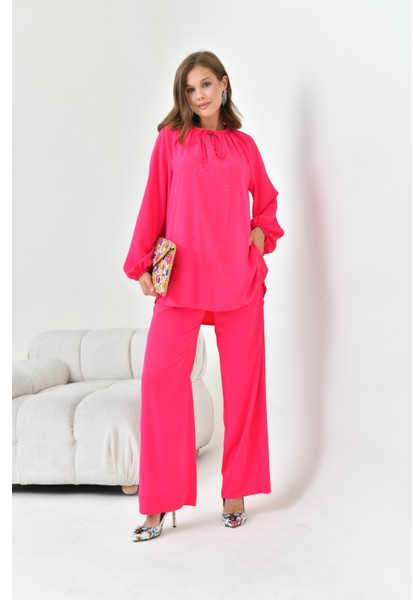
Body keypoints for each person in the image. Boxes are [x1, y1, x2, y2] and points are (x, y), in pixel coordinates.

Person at [123, 50, 284, 541]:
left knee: (244, 387)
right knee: (160, 381)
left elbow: (267, 202)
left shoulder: (244, 146)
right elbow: (153, 201)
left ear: (224, 84)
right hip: (182, 279)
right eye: (190, 89)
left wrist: (258, 234)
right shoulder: (171, 141)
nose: (199, 96)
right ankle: (159, 503)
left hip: (238, 278)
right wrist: (142, 263)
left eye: (206, 85)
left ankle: (235, 491)